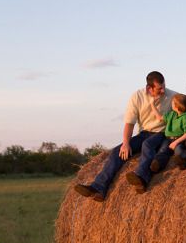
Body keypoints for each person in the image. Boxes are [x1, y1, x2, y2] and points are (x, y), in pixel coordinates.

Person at [74, 71, 176, 200]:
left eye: (164, 87)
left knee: (147, 147)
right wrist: (126, 143)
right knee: (118, 152)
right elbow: (129, 123)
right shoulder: (137, 97)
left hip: (163, 134)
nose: (163, 91)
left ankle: (142, 178)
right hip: (145, 133)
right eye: (159, 88)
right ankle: (98, 188)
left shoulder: (172, 96)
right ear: (149, 88)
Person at [149, 94, 186, 173]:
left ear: (177, 106)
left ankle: (183, 162)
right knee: (162, 151)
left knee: (179, 150)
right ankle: (157, 164)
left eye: (173, 102)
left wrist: (176, 142)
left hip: (179, 139)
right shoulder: (172, 114)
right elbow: (159, 118)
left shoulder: (185, 117)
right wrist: (152, 105)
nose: (171, 103)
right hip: (168, 139)